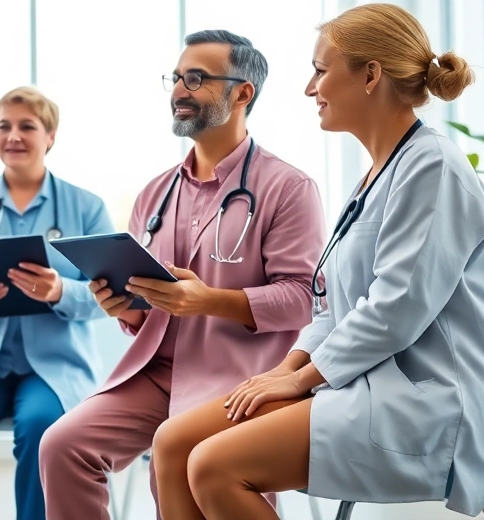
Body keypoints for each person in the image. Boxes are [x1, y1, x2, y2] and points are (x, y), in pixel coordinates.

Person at [149, 3, 484, 520]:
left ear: (369, 75)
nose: (308, 87)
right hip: (364, 378)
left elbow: (395, 309)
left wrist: (302, 379)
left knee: (212, 466)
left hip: (424, 399)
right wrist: (287, 369)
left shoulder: (432, 168)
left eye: (320, 70)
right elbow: (333, 308)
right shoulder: (379, 172)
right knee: (173, 442)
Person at [39, 30, 324, 520]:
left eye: (196, 78)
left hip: (237, 374)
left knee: (177, 462)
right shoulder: (156, 193)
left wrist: (207, 300)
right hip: (154, 373)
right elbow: (149, 307)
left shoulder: (288, 188)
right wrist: (125, 308)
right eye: (176, 78)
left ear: (242, 93)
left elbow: (302, 298)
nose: (179, 91)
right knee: (62, 445)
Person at [0, 86, 114, 520]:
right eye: (4, 126)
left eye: (27, 126)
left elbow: (109, 296)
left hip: (54, 366)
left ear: (50, 136)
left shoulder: (85, 207)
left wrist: (59, 291)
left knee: (43, 429)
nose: (13, 135)